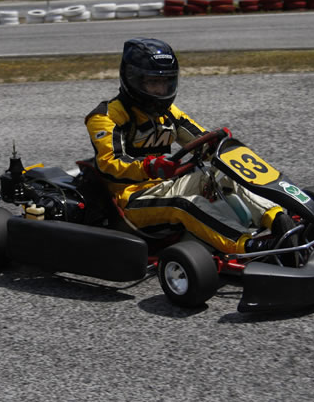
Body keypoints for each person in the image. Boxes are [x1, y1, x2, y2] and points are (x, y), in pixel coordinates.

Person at [84, 37, 295, 255]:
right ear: (134, 79)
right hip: (129, 200)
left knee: (227, 174)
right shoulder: (107, 116)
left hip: (165, 184)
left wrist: (214, 145)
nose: (161, 89)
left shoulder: (168, 114)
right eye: (153, 83)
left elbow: (198, 139)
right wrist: (149, 167)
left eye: (166, 82)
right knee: (186, 204)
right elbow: (109, 163)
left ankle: (279, 220)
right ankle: (248, 246)